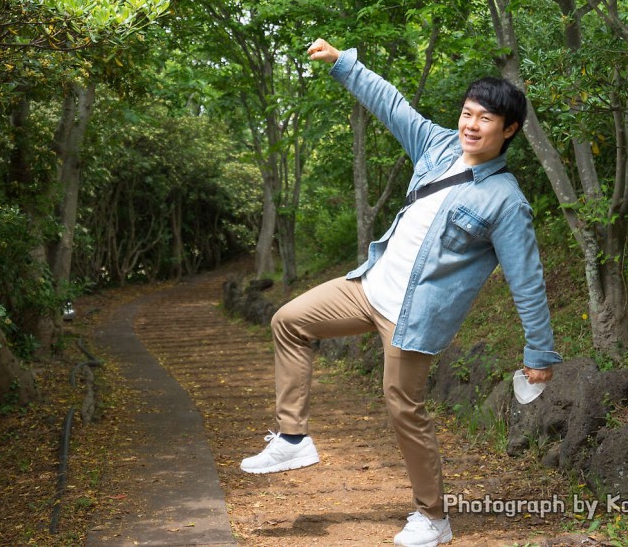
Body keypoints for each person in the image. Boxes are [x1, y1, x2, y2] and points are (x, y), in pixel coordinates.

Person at [240, 38, 563, 547]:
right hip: (367, 287)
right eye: (467, 113)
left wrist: (538, 352)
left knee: (402, 407)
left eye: (484, 119)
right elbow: (391, 103)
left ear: (510, 130)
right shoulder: (436, 147)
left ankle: (433, 517)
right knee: (289, 320)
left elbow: (527, 280)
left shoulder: (506, 201)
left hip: (412, 317)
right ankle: (293, 437)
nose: (471, 125)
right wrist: (342, 62)